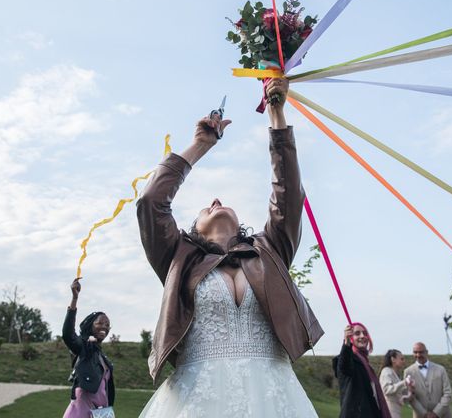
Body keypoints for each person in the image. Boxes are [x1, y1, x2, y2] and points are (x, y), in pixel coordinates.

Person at [136, 78, 323, 417]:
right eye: (207, 205)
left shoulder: (270, 250)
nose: (217, 201)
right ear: (194, 230)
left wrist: (276, 113)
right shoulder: (179, 258)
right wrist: (199, 145)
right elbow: (152, 202)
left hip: (274, 396)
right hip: (196, 400)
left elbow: (289, 195)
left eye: (223, 202)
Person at [62, 278, 115, 418]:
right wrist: (74, 298)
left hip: (100, 413)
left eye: (107, 324)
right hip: (81, 411)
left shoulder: (101, 356)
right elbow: (68, 335)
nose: (104, 326)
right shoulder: (85, 348)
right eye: (100, 323)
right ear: (90, 325)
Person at [333, 323, 393, 418]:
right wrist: (346, 343)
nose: (362, 336)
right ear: (350, 337)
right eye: (357, 333)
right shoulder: (348, 358)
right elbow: (344, 367)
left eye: (365, 333)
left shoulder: (365, 362)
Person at [404, 342, 452, 418]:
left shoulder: (440, 369)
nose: (418, 355)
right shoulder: (408, 372)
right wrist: (424, 414)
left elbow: (448, 393)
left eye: (421, 352)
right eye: (415, 352)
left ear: (426, 352)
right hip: (420, 415)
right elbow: (411, 396)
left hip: (443, 415)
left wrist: (436, 412)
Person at [380, 349, 415, 418]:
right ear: (393, 359)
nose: (404, 361)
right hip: (389, 409)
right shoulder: (386, 371)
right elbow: (386, 390)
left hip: (396, 410)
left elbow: (400, 393)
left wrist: (410, 388)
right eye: (401, 359)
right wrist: (404, 382)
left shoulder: (394, 373)